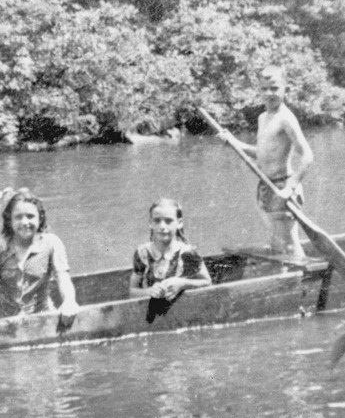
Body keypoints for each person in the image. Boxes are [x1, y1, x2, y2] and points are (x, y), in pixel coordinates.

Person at [218, 65, 314, 258]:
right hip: (265, 188)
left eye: (274, 88)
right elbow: (263, 154)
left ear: (285, 89)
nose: (269, 93)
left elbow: (307, 155)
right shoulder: (263, 117)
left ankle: (300, 281)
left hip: (282, 188)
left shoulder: (286, 118)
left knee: (288, 244)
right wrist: (235, 143)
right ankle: (286, 278)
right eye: (264, 88)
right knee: (277, 243)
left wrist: (291, 187)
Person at [0, 190, 80, 323]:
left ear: (40, 218)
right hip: (6, 321)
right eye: (18, 217)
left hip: (41, 317)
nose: (25, 222)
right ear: (9, 221)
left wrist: (69, 301)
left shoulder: (51, 243)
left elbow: (63, 277)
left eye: (30, 216)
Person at [128, 198, 212, 300]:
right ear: (150, 223)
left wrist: (182, 283)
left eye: (168, 221)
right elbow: (132, 292)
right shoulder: (143, 253)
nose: (162, 226)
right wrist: (149, 291)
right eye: (157, 221)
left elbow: (207, 283)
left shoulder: (187, 253)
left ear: (179, 223)